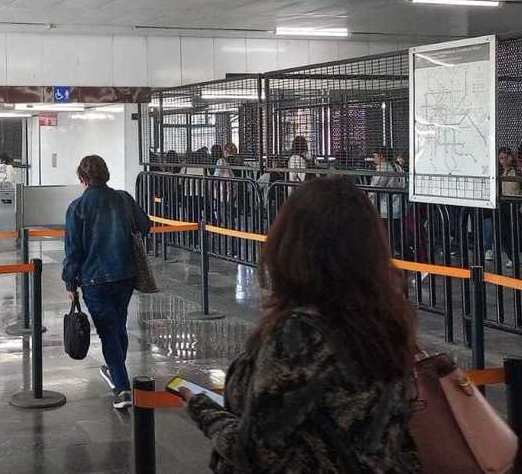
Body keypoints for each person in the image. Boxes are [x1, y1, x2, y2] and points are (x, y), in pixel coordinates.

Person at [180, 177, 420, 472]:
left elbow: (256, 451)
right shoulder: (387, 321)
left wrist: (203, 410)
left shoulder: (300, 333)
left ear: (291, 245)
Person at [62, 154, 150, 411]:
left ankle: (122, 389)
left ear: (82, 179)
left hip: (93, 279)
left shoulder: (77, 208)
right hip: (125, 274)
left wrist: (70, 282)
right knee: (118, 324)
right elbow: (146, 225)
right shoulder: (123, 199)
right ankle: (115, 369)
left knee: (108, 331)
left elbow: (73, 250)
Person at [483, 148, 522, 267]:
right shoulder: (499, 172)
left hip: (514, 204)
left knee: (514, 232)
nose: (503, 161)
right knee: (503, 233)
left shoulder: (517, 171)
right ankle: (511, 255)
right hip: (501, 205)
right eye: (500, 158)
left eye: (505, 157)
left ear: (511, 158)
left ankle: (515, 256)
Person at [369, 148, 405, 245]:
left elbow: (375, 189)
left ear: (382, 157)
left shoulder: (383, 169)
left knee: (385, 241)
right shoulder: (398, 167)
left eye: (375, 156)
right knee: (397, 241)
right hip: (397, 209)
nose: (373, 159)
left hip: (385, 211)